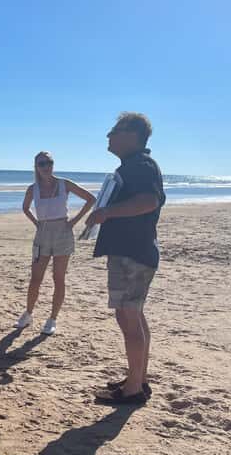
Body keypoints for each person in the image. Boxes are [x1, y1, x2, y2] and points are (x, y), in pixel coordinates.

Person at [85, 112, 165, 406]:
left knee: (129, 316)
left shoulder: (141, 166)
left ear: (132, 135)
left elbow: (149, 200)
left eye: (114, 131)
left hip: (134, 253)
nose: (109, 136)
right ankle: (137, 378)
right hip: (132, 252)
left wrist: (108, 212)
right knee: (132, 315)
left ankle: (133, 389)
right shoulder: (133, 166)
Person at [15, 152, 96, 336]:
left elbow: (91, 199)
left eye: (49, 162)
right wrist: (37, 223)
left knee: (58, 278)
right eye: (42, 163)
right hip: (42, 234)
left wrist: (74, 222)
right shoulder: (32, 188)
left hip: (63, 233)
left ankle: (52, 319)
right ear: (36, 166)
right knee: (35, 278)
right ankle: (28, 314)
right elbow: (25, 208)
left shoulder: (64, 184)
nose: (46, 166)